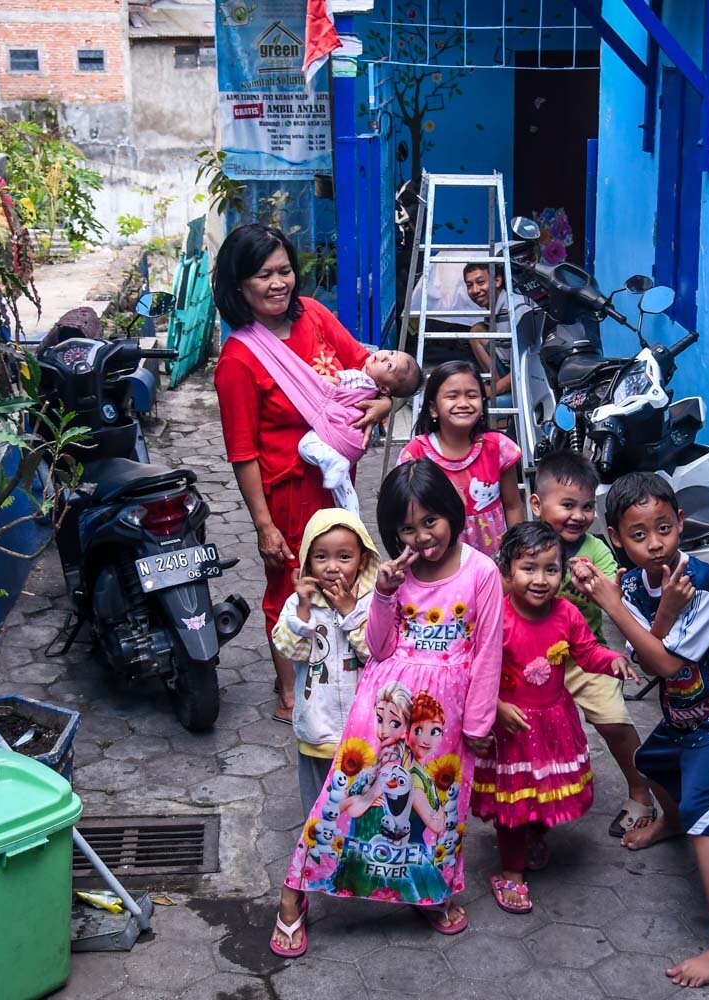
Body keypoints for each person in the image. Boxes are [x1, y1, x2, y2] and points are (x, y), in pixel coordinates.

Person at [270, 459, 503, 957]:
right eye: (407, 528)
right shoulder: (393, 575)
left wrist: (481, 721)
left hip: (445, 719)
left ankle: (428, 891)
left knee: (440, 807)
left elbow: (487, 652)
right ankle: (294, 894)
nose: (421, 537)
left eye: (430, 521)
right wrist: (384, 593)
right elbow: (375, 647)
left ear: (451, 512)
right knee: (341, 801)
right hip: (380, 708)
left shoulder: (482, 573)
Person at [568, 471, 709, 989]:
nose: (655, 543)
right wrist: (649, 612)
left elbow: (661, 663)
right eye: (638, 535)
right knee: (651, 762)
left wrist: (611, 603)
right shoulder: (640, 582)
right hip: (692, 709)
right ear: (615, 538)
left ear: (680, 523)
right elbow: (651, 639)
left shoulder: (699, 585)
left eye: (664, 528)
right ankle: (674, 821)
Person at [213, 224, 392, 726]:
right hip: (287, 493)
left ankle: (340, 664)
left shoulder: (314, 315)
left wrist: (379, 408)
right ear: (238, 285)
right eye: (264, 274)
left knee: (346, 572)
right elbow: (242, 454)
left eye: (285, 270)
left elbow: (367, 368)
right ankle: (290, 691)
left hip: (337, 485)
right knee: (292, 585)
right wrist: (263, 525)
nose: (279, 283)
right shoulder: (237, 362)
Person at [472, 521, 632, 914]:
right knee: (512, 807)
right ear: (506, 571)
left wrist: (613, 661)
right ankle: (511, 873)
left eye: (551, 568)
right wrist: (493, 705)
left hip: (553, 723)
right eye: (529, 568)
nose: (541, 579)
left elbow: (588, 652)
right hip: (510, 727)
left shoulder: (567, 614)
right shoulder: (496, 617)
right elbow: (474, 669)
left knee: (542, 794)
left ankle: (535, 835)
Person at [531, 450, 658, 839]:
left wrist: (604, 586)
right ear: (537, 504)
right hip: (533, 660)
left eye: (587, 507)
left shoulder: (597, 550)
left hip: (588, 657)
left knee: (615, 724)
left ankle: (642, 793)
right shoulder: (523, 545)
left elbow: (611, 590)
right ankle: (530, 803)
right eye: (567, 504)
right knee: (532, 737)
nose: (578, 516)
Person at [271, 509, 380, 815]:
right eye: (321, 557)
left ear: (362, 559)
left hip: (364, 727)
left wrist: (349, 612)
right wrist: (304, 612)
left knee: (361, 803)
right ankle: (315, 856)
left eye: (344, 557)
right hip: (317, 726)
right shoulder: (298, 602)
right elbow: (289, 650)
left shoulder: (372, 602)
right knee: (318, 808)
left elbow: (373, 654)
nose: (332, 567)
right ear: (308, 560)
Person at [398, 359, 523, 557]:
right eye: (452, 396)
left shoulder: (498, 447)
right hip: (438, 561)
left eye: (472, 395)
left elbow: (513, 505)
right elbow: (405, 513)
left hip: (492, 561)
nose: (463, 403)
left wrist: (515, 554)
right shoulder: (415, 453)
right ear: (433, 408)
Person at [294, 349, 423, 516]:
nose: (384, 356)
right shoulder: (372, 390)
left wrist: (302, 374)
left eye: (389, 365)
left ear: (384, 389)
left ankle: (333, 461)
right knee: (341, 487)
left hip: (340, 434)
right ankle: (352, 515)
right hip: (354, 440)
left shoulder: (358, 378)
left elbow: (330, 382)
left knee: (306, 445)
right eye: (391, 352)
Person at [463, 264, 530, 414]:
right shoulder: (494, 311)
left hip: (528, 380)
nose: (475, 290)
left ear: (498, 281)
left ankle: (500, 392)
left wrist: (491, 391)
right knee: (477, 331)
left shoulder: (518, 310)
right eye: (469, 285)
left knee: (482, 407)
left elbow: (528, 364)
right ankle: (498, 387)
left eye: (481, 282)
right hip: (507, 373)